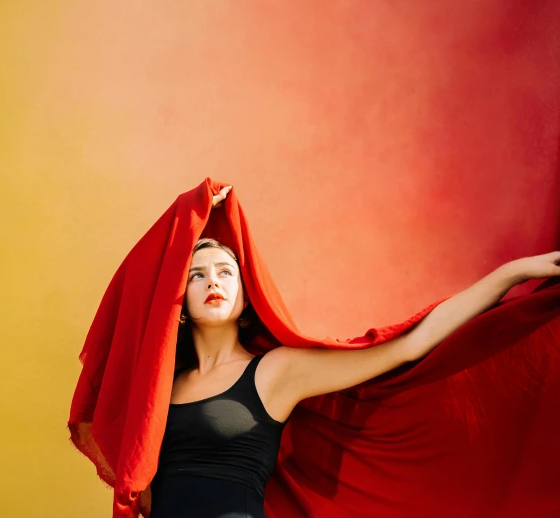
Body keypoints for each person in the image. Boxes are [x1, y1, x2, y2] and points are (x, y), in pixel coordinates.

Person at [143, 186, 560, 518]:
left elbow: (408, 344)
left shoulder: (276, 372)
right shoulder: (161, 386)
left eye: (225, 272)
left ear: (246, 297)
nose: (212, 281)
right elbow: (135, 292)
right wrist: (188, 213)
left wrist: (513, 272)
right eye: (197, 275)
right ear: (180, 300)